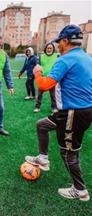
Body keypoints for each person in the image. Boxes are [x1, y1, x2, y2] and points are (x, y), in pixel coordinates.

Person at [25, 25, 92, 201]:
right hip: (75, 111)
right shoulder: (86, 57)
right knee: (42, 125)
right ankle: (43, 158)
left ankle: (80, 190)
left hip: (73, 112)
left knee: (68, 153)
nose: (57, 46)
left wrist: (38, 73)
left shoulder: (65, 59)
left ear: (65, 41)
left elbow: (45, 85)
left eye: (59, 42)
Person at [34, 43, 59, 113]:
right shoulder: (41, 56)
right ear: (45, 49)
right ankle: (37, 107)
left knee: (53, 95)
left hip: (52, 78)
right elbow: (38, 67)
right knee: (39, 94)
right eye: (48, 48)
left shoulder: (56, 56)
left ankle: (54, 107)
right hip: (42, 78)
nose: (49, 49)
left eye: (51, 48)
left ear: (53, 49)